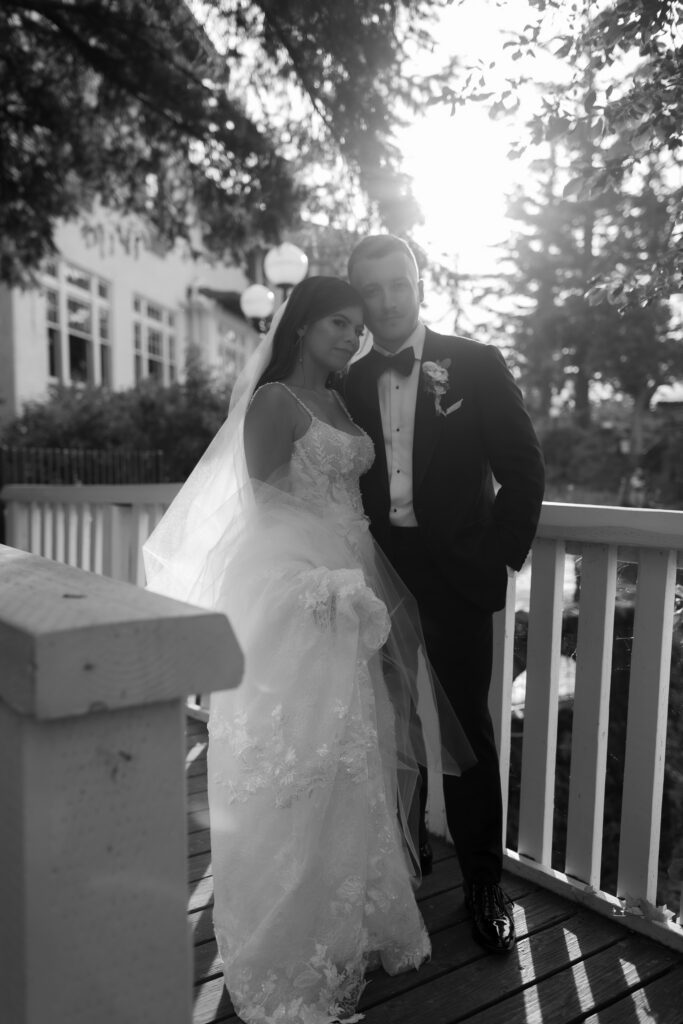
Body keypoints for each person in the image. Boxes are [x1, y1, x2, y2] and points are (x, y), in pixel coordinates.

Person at [143, 276, 474, 1024]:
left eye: (357, 327)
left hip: (358, 591)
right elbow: (257, 520)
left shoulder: (340, 402)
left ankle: (349, 920)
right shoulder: (274, 405)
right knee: (303, 763)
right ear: (298, 326)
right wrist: (316, 591)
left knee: (358, 754)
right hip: (306, 602)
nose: (352, 337)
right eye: (337, 323)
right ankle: (288, 939)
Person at [345, 235, 545, 955]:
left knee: (469, 741)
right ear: (359, 299)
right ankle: (405, 860)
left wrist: (493, 559)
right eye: (372, 289)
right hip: (379, 581)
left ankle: (483, 885)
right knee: (388, 729)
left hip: (459, 582)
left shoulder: (476, 364)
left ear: (418, 282)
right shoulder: (347, 381)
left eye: (398, 283)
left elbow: (523, 471)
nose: (389, 300)